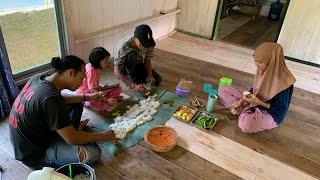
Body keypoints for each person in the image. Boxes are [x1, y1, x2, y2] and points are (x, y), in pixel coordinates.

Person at [9, 55, 118, 169]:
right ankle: (68, 134)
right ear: (70, 73)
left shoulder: (40, 78)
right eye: (81, 78)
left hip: (31, 138)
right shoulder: (50, 99)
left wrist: (87, 97)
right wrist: (102, 136)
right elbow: (72, 139)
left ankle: (69, 132)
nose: (82, 82)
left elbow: (60, 99)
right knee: (93, 152)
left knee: (77, 103)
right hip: (35, 154)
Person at [219, 43, 296, 133]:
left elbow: (280, 108)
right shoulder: (263, 69)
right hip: (255, 100)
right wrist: (241, 101)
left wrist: (258, 102)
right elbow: (255, 89)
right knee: (223, 89)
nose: (256, 65)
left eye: (260, 62)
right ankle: (245, 109)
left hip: (270, 112)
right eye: (255, 61)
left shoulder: (284, 81)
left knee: (245, 125)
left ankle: (244, 111)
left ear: (272, 62)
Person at [114, 24, 162, 94]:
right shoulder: (124, 46)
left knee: (157, 80)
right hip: (124, 65)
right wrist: (133, 85)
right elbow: (117, 71)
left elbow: (147, 59)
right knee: (132, 54)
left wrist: (150, 75)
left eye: (146, 44)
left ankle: (134, 76)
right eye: (142, 44)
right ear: (134, 38)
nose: (144, 47)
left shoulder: (149, 43)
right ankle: (129, 75)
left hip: (138, 62)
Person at [76, 47, 122, 111]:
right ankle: (104, 101)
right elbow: (93, 91)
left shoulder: (93, 67)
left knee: (118, 89)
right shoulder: (91, 71)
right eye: (105, 62)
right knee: (101, 105)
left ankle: (107, 100)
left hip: (96, 91)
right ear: (97, 61)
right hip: (87, 95)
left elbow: (95, 87)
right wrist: (106, 100)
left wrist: (103, 88)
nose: (107, 64)